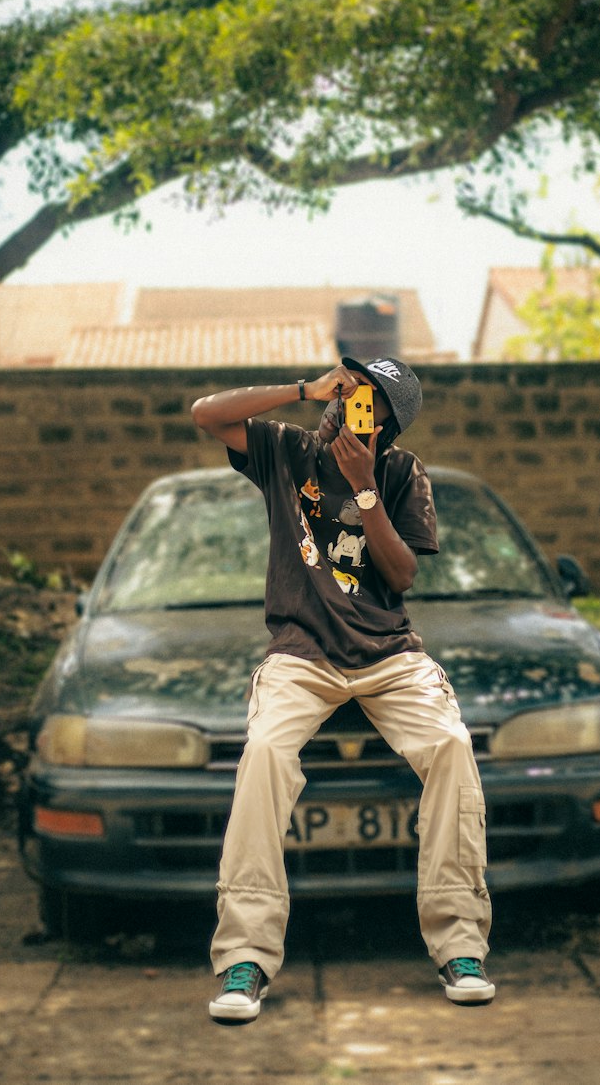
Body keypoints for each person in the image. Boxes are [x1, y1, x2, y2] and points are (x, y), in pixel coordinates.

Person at [191, 358, 493, 1025]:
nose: (344, 400)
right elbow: (206, 414)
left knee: (449, 745)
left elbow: (403, 573)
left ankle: (460, 944)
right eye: (343, 385)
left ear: (383, 422)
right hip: (302, 653)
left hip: (387, 653)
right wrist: (303, 389)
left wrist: (364, 492)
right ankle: (246, 957)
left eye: (363, 398)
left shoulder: (400, 471)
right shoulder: (286, 449)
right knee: (265, 753)